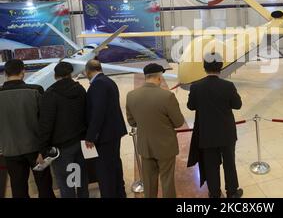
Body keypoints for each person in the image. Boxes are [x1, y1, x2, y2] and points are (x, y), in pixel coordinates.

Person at [187, 53, 243, 198]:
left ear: (204, 67)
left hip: (207, 133)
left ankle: (214, 193)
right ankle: (232, 192)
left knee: (211, 165)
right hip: (227, 133)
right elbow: (237, 105)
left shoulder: (196, 86)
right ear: (221, 67)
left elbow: (191, 106)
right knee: (229, 163)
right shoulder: (228, 86)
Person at [126, 63, 185, 198]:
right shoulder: (167, 96)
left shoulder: (131, 95)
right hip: (165, 147)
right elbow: (179, 122)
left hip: (145, 146)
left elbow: (132, 121)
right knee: (167, 182)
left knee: (149, 183)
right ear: (159, 77)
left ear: (146, 77)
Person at [0, 59, 55, 198]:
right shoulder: (35, 90)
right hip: (36, 150)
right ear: (23, 71)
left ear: (5, 73)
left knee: (18, 188)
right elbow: (45, 122)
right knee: (44, 186)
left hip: (10, 150)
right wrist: (44, 148)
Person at [37, 62, 89, 198]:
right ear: (70, 74)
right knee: (80, 179)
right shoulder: (80, 89)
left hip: (62, 148)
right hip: (80, 142)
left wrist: (42, 149)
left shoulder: (50, 94)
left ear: (55, 76)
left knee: (67, 183)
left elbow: (46, 124)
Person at [84, 59, 127, 198]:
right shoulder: (109, 81)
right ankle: (120, 193)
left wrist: (90, 136)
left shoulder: (98, 84)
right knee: (114, 165)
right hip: (114, 132)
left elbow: (98, 112)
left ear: (88, 71)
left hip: (105, 136)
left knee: (104, 170)